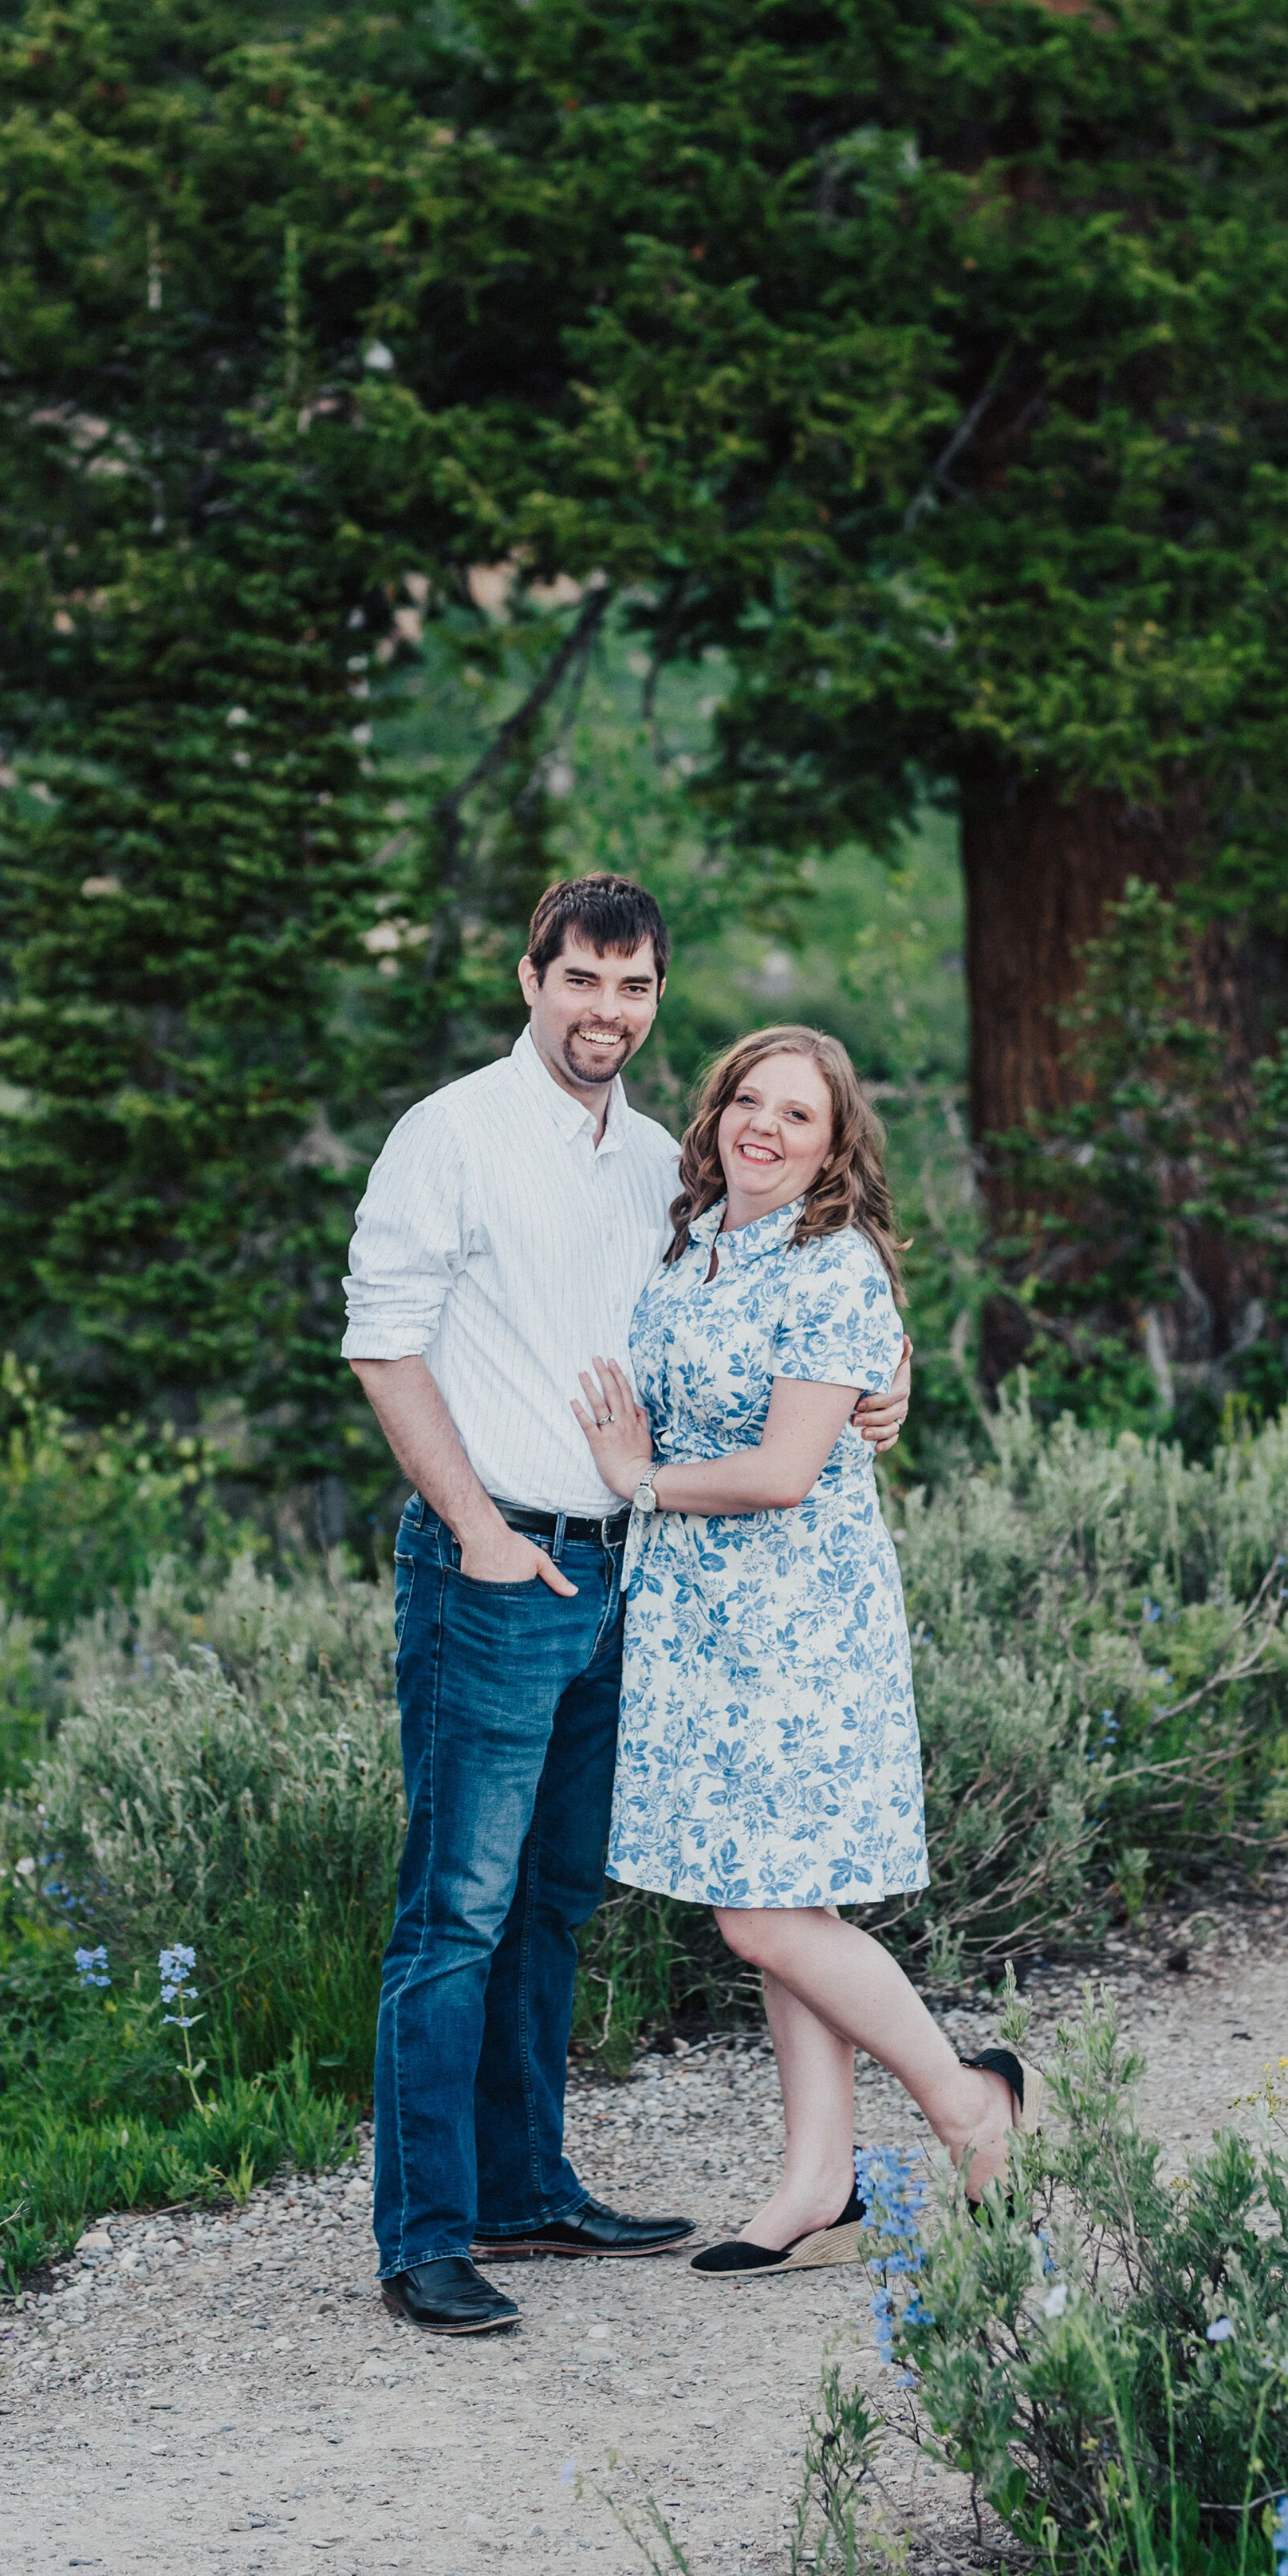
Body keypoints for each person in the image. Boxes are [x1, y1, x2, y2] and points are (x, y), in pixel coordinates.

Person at [344, 878, 910, 2335]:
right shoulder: (450, 1135)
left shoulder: (664, 1160)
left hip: (631, 1577)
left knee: (553, 1898)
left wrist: (887, 1382)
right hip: (496, 1564)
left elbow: (787, 1297)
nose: (608, 1010)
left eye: (635, 986)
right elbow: (383, 1343)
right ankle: (425, 2233)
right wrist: (477, 1532)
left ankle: (527, 2185)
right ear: (530, 978)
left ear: (657, 999)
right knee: (455, 1909)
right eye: (583, 980)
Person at [571, 1025, 1038, 2274]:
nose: (764, 1128)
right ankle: (820, 2183)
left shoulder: (831, 1264)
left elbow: (784, 1471)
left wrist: (636, 1478)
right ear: (716, 1109)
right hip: (699, 1629)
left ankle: (968, 2104)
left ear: (835, 1149)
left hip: (799, 1627)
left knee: (762, 1917)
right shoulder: (691, 1245)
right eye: (748, 1100)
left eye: (797, 1116)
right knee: (790, 1896)